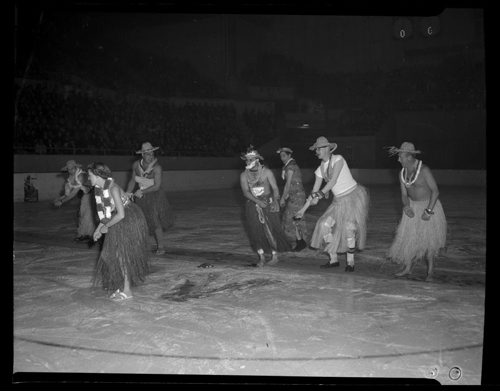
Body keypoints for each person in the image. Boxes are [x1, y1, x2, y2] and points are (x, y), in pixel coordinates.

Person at [295, 136, 369, 272]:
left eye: (318, 148)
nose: (316, 151)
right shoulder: (320, 169)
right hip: (338, 202)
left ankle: (350, 262)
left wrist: (321, 194)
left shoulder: (338, 159)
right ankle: (333, 259)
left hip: (352, 198)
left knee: (349, 228)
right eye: (316, 149)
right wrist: (303, 210)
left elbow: (333, 181)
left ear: (327, 149)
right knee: (324, 225)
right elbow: (314, 193)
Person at [88, 162, 150, 301]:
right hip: (116, 218)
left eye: (90, 175)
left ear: (98, 175)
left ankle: (127, 290)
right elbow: (107, 212)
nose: (88, 179)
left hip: (128, 218)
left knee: (121, 255)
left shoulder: (113, 188)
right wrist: (98, 228)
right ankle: (120, 284)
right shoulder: (100, 189)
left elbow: (121, 214)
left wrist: (106, 226)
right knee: (107, 255)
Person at [386, 142, 447, 282]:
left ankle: (430, 271)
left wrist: (429, 211)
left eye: (400, 156)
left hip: (429, 206)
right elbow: (403, 194)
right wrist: (406, 206)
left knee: (429, 241)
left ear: (408, 157)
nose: (398, 159)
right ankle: (408, 268)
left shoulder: (424, 170)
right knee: (409, 238)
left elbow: (435, 191)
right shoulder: (402, 173)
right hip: (412, 206)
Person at [240, 145, 291, 266]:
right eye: (247, 160)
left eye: (251, 159)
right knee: (255, 230)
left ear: (257, 160)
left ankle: (274, 255)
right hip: (253, 203)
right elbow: (245, 192)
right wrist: (257, 202)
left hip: (268, 201)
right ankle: (261, 256)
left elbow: (275, 188)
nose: (248, 162)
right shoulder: (244, 175)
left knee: (271, 229)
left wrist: (275, 201)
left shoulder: (267, 172)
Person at [126, 142, 175, 255]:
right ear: (142, 155)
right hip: (141, 196)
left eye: (152, 153)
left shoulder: (157, 168)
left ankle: (161, 247)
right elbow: (133, 180)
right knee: (141, 221)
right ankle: (141, 245)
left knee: (154, 220)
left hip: (155, 195)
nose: (151, 156)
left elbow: (157, 186)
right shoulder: (136, 165)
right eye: (148, 154)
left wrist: (141, 191)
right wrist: (128, 193)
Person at [53, 160, 97, 242]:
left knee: (87, 214)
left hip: (92, 194)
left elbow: (73, 193)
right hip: (86, 195)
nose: (70, 171)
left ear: (76, 168)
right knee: (83, 214)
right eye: (68, 169)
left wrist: (62, 202)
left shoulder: (81, 176)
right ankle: (86, 234)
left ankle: (88, 234)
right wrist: (60, 198)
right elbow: (68, 194)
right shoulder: (71, 178)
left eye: (72, 169)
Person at [276, 147, 308, 251]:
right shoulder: (290, 165)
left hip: (297, 196)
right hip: (296, 195)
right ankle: (300, 241)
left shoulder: (290, 167)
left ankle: (299, 242)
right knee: (293, 218)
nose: (282, 158)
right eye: (280, 156)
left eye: (284, 156)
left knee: (290, 218)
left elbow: (288, 184)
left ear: (289, 155)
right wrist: (286, 196)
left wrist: (282, 199)